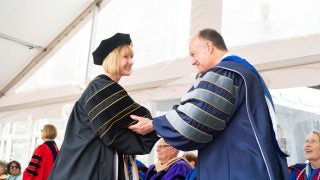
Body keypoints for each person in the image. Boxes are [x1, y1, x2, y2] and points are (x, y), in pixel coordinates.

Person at [129, 28, 289, 179]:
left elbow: (194, 119)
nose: (192, 61)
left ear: (209, 46)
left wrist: (155, 124)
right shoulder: (245, 72)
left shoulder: (226, 73)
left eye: (193, 54)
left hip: (238, 170)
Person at [48, 33, 159, 180]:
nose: (131, 62)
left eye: (131, 57)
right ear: (113, 58)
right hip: (88, 168)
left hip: (86, 166)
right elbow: (137, 120)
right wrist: (155, 125)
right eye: (126, 57)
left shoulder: (101, 88)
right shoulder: (101, 90)